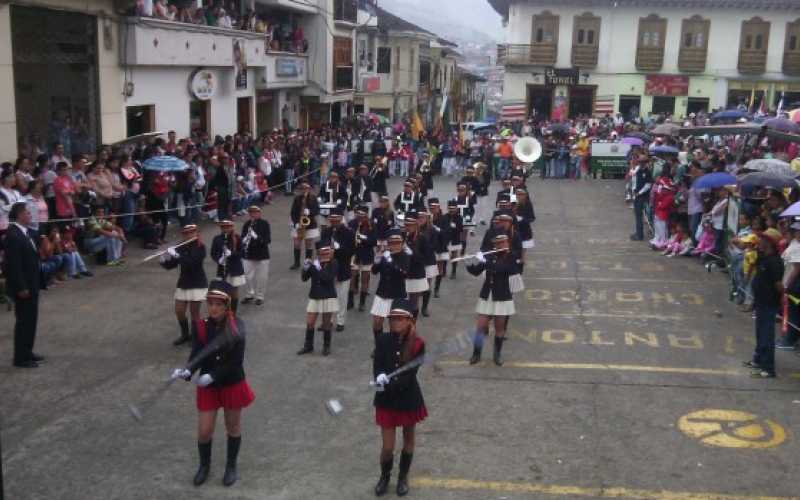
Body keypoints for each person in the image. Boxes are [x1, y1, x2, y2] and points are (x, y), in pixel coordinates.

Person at [171, 280, 255, 487]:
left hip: (232, 383)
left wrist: (213, 375)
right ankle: (204, 466)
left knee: (232, 426)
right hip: (208, 386)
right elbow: (196, 355)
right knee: (205, 430)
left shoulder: (237, 327)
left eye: (218, 304)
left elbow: (236, 362)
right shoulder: (200, 326)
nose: (214, 308)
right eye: (211, 303)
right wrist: (187, 371)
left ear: (226, 305)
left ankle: (231, 466)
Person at [372, 298, 427, 497]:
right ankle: (384, 477)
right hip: (386, 401)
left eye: (399, 319)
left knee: (408, 439)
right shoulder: (382, 340)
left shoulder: (418, 345)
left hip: (408, 398)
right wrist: (378, 377)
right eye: (392, 319)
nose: (394, 322)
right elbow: (377, 364)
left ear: (409, 321)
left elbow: (409, 376)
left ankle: (403, 477)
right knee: (387, 448)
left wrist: (389, 382)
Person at [467, 234, 521, 366]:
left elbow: (503, 269)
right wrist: (469, 262)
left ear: (507, 243)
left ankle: (497, 355)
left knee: (499, 327)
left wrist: (486, 262)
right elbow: (477, 271)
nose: (500, 245)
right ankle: (476, 354)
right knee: (480, 327)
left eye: (502, 243)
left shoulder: (511, 257)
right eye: (497, 244)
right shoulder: (490, 256)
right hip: (487, 295)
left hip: (502, 296)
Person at [3, 203, 43, 368]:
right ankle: (20, 358)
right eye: (27, 213)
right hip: (24, 287)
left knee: (31, 320)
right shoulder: (13, 235)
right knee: (24, 322)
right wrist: (21, 287)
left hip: (32, 284)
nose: (30, 215)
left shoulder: (25, 233)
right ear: (19, 215)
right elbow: (13, 265)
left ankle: (28, 351)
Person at [745, 228, 784, 378]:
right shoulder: (763, 257)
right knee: (760, 333)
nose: (759, 241)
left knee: (767, 335)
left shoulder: (775, 262)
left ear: (769, 243)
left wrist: (782, 296)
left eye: (763, 239)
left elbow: (778, 285)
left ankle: (768, 368)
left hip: (769, 303)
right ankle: (758, 360)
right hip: (760, 301)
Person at [160, 225, 208, 346]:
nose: (188, 235)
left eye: (191, 232)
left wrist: (177, 255)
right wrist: (165, 259)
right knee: (179, 311)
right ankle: (185, 334)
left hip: (197, 282)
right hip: (184, 282)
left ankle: (196, 336)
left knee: (194, 312)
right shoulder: (181, 247)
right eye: (185, 233)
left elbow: (192, 262)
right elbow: (172, 265)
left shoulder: (200, 247)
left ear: (196, 233)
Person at [297, 240, 339, 356]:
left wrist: (318, 268)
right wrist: (305, 268)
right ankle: (308, 345)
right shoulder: (315, 263)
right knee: (310, 322)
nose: (326, 254)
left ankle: (326, 346)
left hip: (328, 296)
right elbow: (304, 278)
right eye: (323, 252)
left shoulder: (334, 263)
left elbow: (328, 278)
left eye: (328, 252)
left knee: (326, 323)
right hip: (314, 295)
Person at [371, 230, 410, 349]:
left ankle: (395, 347)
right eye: (392, 243)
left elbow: (403, 273)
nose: (395, 245)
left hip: (397, 294)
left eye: (397, 242)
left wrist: (391, 261)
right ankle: (379, 346)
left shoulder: (405, 256)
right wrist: (377, 259)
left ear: (401, 243)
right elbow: (374, 271)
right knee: (377, 323)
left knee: (395, 324)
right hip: (382, 292)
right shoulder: (385, 254)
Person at [322, 208, 354, 331]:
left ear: (341, 219)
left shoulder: (349, 233)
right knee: (328, 296)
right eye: (332, 219)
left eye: (336, 219)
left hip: (342, 268)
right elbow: (321, 246)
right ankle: (328, 320)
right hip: (328, 268)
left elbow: (350, 252)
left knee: (341, 297)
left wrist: (338, 249)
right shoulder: (326, 231)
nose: (334, 221)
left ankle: (340, 321)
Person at [211, 220, 246, 313]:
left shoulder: (237, 238)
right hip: (222, 269)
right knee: (223, 292)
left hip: (235, 268)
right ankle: (224, 311)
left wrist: (232, 253)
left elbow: (242, 253)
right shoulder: (217, 238)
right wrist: (219, 259)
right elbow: (213, 253)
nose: (225, 229)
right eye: (223, 227)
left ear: (232, 227)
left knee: (234, 292)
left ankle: (232, 313)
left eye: (228, 227)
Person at [241, 206, 271, 306]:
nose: (252, 214)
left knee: (261, 277)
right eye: (251, 213)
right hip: (248, 254)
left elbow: (267, 240)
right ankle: (249, 294)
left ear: (259, 213)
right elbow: (242, 238)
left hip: (262, 255)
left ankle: (260, 296)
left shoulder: (264, 224)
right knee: (246, 276)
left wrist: (256, 237)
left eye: (255, 212)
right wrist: (245, 239)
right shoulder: (246, 224)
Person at [349, 206, 377, 312]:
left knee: (365, 279)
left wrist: (363, 238)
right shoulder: (352, 223)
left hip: (366, 255)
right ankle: (350, 301)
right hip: (354, 254)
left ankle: (362, 303)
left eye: (362, 215)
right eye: (358, 215)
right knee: (352, 277)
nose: (360, 218)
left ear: (366, 215)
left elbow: (374, 241)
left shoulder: (371, 225)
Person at [289, 181, 320, 270]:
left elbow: (317, 210)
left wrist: (310, 212)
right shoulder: (297, 198)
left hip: (310, 224)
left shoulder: (313, 198)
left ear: (309, 189)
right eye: (303, 188)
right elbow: (293, 212)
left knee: (308, 244)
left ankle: (308, 262)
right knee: (297, 243)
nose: (304, 190)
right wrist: (296, 223)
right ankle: (296, 263)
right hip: (299, 224)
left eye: (306, 188)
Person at [630, 155, 652, 241]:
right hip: (636, 194)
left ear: (646, 163)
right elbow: (632, 174)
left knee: (639, 215)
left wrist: (639, 192)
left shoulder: (647, 171)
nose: (641, 163)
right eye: (640, 162)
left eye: (642, 162)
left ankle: (640, 235)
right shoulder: (638, 169)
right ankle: (638, 232)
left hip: (642, 196)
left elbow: (648, 185)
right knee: (637, 214)